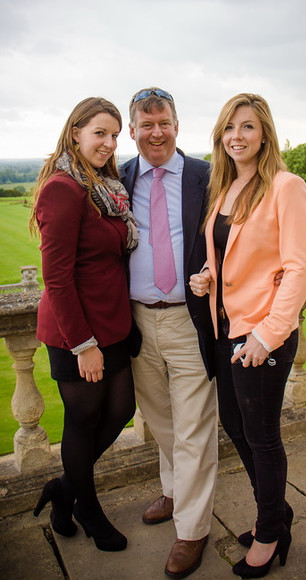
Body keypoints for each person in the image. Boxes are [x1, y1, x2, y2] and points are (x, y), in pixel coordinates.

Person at [190, 93, 306, 578]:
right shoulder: (224, 188)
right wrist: (207, 275)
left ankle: (269, 531)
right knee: (235, 425)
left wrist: (267, 335)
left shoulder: (286, 186)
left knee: (261, 436)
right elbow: (234, 255)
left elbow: (299, 268)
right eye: (228, 128)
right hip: (226, 329)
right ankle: (277, 511)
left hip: (262, 334)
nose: (236, 136)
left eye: (246, 127)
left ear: (264, 133)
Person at [31, 97, 139, 552]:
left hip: (112, 326)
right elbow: (55, 277)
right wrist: (83, 344)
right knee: (82, 419)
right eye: (100, 133)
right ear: (75, 131)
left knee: (121, 410)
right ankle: (87, 510)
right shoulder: (62, 188)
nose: (109, 143)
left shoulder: (105, 185)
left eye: (115, 135)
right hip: (77, 333)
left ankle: (64, 487)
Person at [119, 88, 217, 578]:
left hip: (188, 319)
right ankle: (176, 491)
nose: (156, 132)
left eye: (164, 122)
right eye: (146, 123)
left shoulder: (206, 175)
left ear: (177, 125)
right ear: (132, 129)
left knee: (195, 426)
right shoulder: (117, 177)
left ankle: (193, 529)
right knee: (161, 419)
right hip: (137, 319)